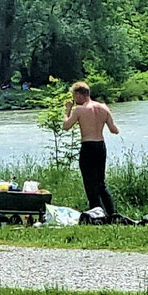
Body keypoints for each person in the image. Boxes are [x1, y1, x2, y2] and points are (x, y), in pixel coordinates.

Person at [62, 80, 119, 216]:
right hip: (100, 146)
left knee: (89, 182)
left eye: (75, 97)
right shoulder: (104, 108)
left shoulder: (79, 110)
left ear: (80, 95)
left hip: (88, 146)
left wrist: (67, 110)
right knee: (101, 183)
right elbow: (114, 130)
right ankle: (111, 213)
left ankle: (97, 213)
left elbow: (66, 126)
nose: (74, 100)